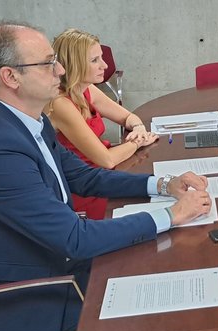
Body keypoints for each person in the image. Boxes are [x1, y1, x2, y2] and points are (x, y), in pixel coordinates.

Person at [0, 21, 212, 331]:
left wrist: (162, 185)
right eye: (49, 63)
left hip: (44, 257)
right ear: (10, 77)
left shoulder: (24, 123)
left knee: (159, 263)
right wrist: (171, 215)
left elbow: (86, 178)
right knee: (161, 300)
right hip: (21, 291)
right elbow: (73, 239)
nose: (62, 70)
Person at [47, 28, 158, 220]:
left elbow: (127, 118)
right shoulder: (60, 103)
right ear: (75, 64)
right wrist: (138, 142)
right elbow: (106, 159)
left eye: (101, 58)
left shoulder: (86, 88)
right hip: (84, 187)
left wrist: (139, 129)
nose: (105, 65)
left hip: (102, 175)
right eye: (94, 60)